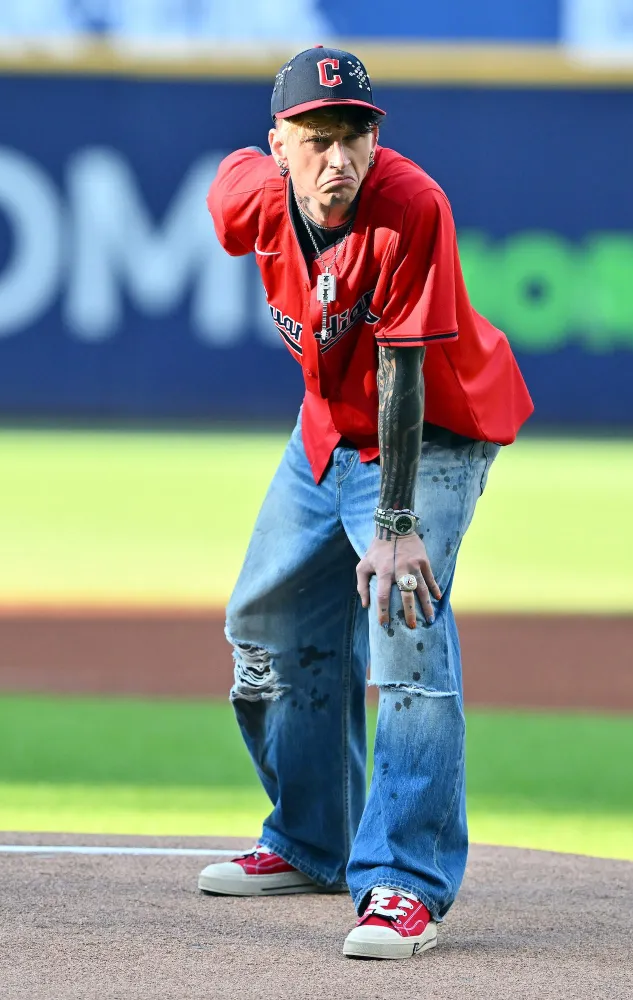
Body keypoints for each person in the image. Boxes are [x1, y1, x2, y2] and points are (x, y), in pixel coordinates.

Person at [199, 44, 533, 960]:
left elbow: (404, 369)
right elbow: (226, 197)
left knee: (405, 637)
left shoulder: (410, 206)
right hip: (328, 428)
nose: (338, 158)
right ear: (280, 144)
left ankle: (403, 882)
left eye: (354, 136)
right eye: (316, 138)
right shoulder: (252, 192)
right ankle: (312, 840)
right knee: (262, 622)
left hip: (431, 436)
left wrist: (392, 528)